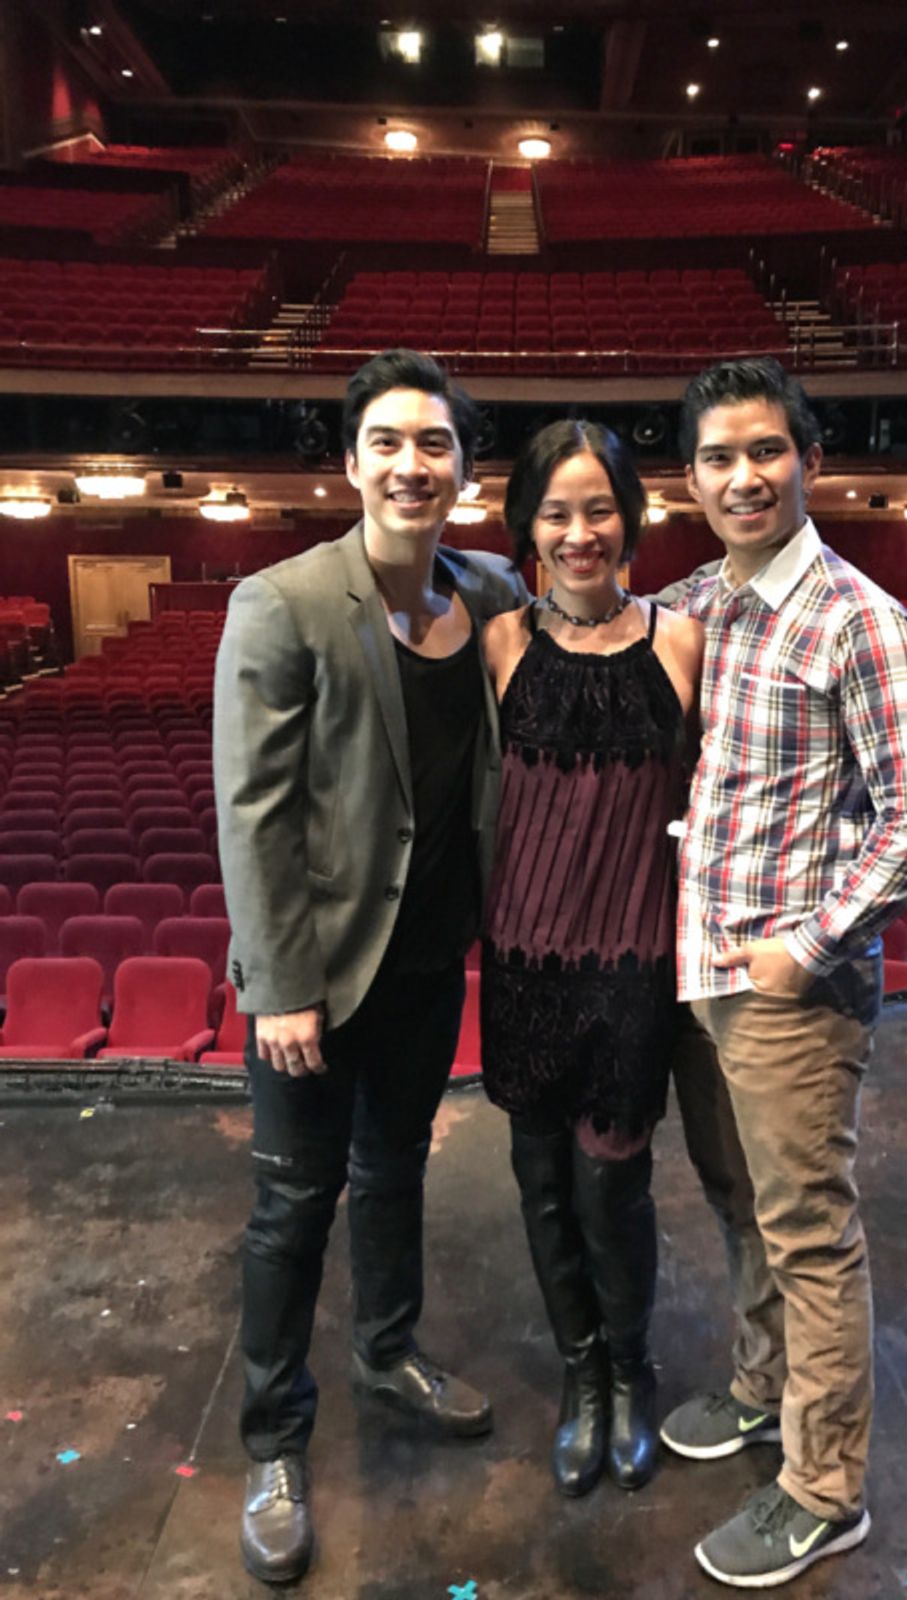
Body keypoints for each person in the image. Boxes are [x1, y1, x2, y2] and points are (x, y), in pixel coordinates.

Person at [213, 348, 527, 1586]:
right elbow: (256, 811)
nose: (412, 462)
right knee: (293, 1207)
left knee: (393, 1171)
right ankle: (274, 1440)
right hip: (319, 972)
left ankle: (387, 1348)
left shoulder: (494, 589)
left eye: (435, 443)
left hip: (428, 963)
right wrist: (277, 982)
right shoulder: (281, 601)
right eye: (387, 441)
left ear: (464, 466)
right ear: (351, 464)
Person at [658, 357, 907, 1587]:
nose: (744, 475)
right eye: (719, 456)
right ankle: (759, 1386)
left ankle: (826, 1489)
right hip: (699, 970)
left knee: (809, 1235)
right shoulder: (697, 604)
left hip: (790, 989)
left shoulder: (861, 621)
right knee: (740, 1209)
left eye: (767, 450)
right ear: (691, 478)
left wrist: (811, 942)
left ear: (810, 461)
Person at [479, 420, 704, 1498]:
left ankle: (630, 1370)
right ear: (527, 526)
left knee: (611, 1184)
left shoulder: (680, 641)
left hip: (630, 962)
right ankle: (579, 1374)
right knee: (540, 1186)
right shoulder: (501, 646)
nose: (578, 532)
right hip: (523, 959)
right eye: (557, 513)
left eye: (597, 508)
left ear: (631, 520)